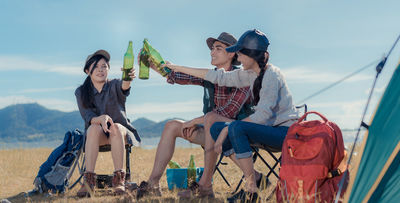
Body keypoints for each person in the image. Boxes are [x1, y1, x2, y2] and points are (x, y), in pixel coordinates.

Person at [164, 29, 299, 202]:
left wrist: (227, 131)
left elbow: (262, 116)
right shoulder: (250, 74)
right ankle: (254, 182)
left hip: (283, 133)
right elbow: (218, 77)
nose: (239, 58)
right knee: (216, 127)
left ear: (251, 54)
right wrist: (176, 67)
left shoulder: (272, 75)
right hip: (266, 130)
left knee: (232, 127)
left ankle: (251, 190)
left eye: (241, 54)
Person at [137, 32, 262, 199]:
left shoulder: (243, 78)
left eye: (218, 48)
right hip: (213, 132)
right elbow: (178, 76)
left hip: (239, 135)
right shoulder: (210, 76)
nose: (212, 52)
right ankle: (153, 183)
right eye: (212, 48)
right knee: (172, 125)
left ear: (232, 53)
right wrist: (153, 65)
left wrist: (195, 121)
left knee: (211, 122)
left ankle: (206, 186)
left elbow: (227, 113)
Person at [75, 49, 140, 197]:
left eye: (104, 66)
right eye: (96, 66)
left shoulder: (114, 85)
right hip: (98, 135)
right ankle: (89, 181)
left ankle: (119, 181)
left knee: (116, 127)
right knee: (92, 128)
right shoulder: (81, 92)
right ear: (87, 71)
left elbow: (125, 85)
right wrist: (102, 118)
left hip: (120, 133)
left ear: (109, 69)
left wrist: (128, 77)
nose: (100, 70)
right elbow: (88, 116)